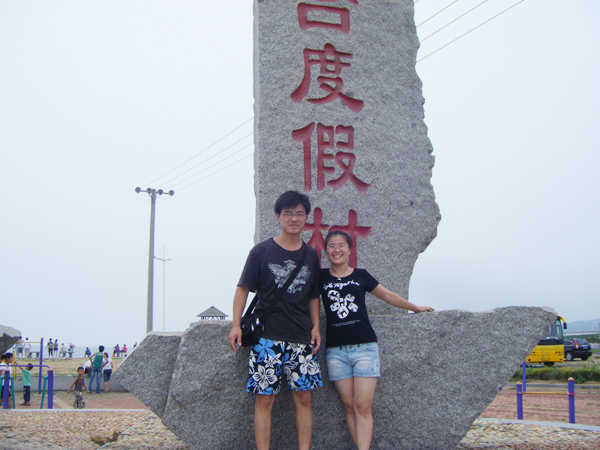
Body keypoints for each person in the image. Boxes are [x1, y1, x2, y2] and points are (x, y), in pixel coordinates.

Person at [319, 230, 435, 450]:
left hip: (364, 348)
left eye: (341, 245)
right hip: (336, 351)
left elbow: (387, 295)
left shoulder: (360, 275)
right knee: (349, 407)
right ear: (326, 251)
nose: (337, 249)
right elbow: (307, 301)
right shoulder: (321, 277)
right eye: (332, 246)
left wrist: (415, 308)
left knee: (362, 406)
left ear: (349, 249)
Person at [228, 190, 322, 450]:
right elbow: (242, 289)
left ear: (306, 217)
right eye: (288, 213)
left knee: (304, 399)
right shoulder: (261, 251)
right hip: (266, 338)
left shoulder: (311, 255)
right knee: (264, 399)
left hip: (301, 336)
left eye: (299, 213)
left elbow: (313, 295)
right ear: (278, 216)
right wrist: (236, 325)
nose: (294, 219)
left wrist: (316, 326)